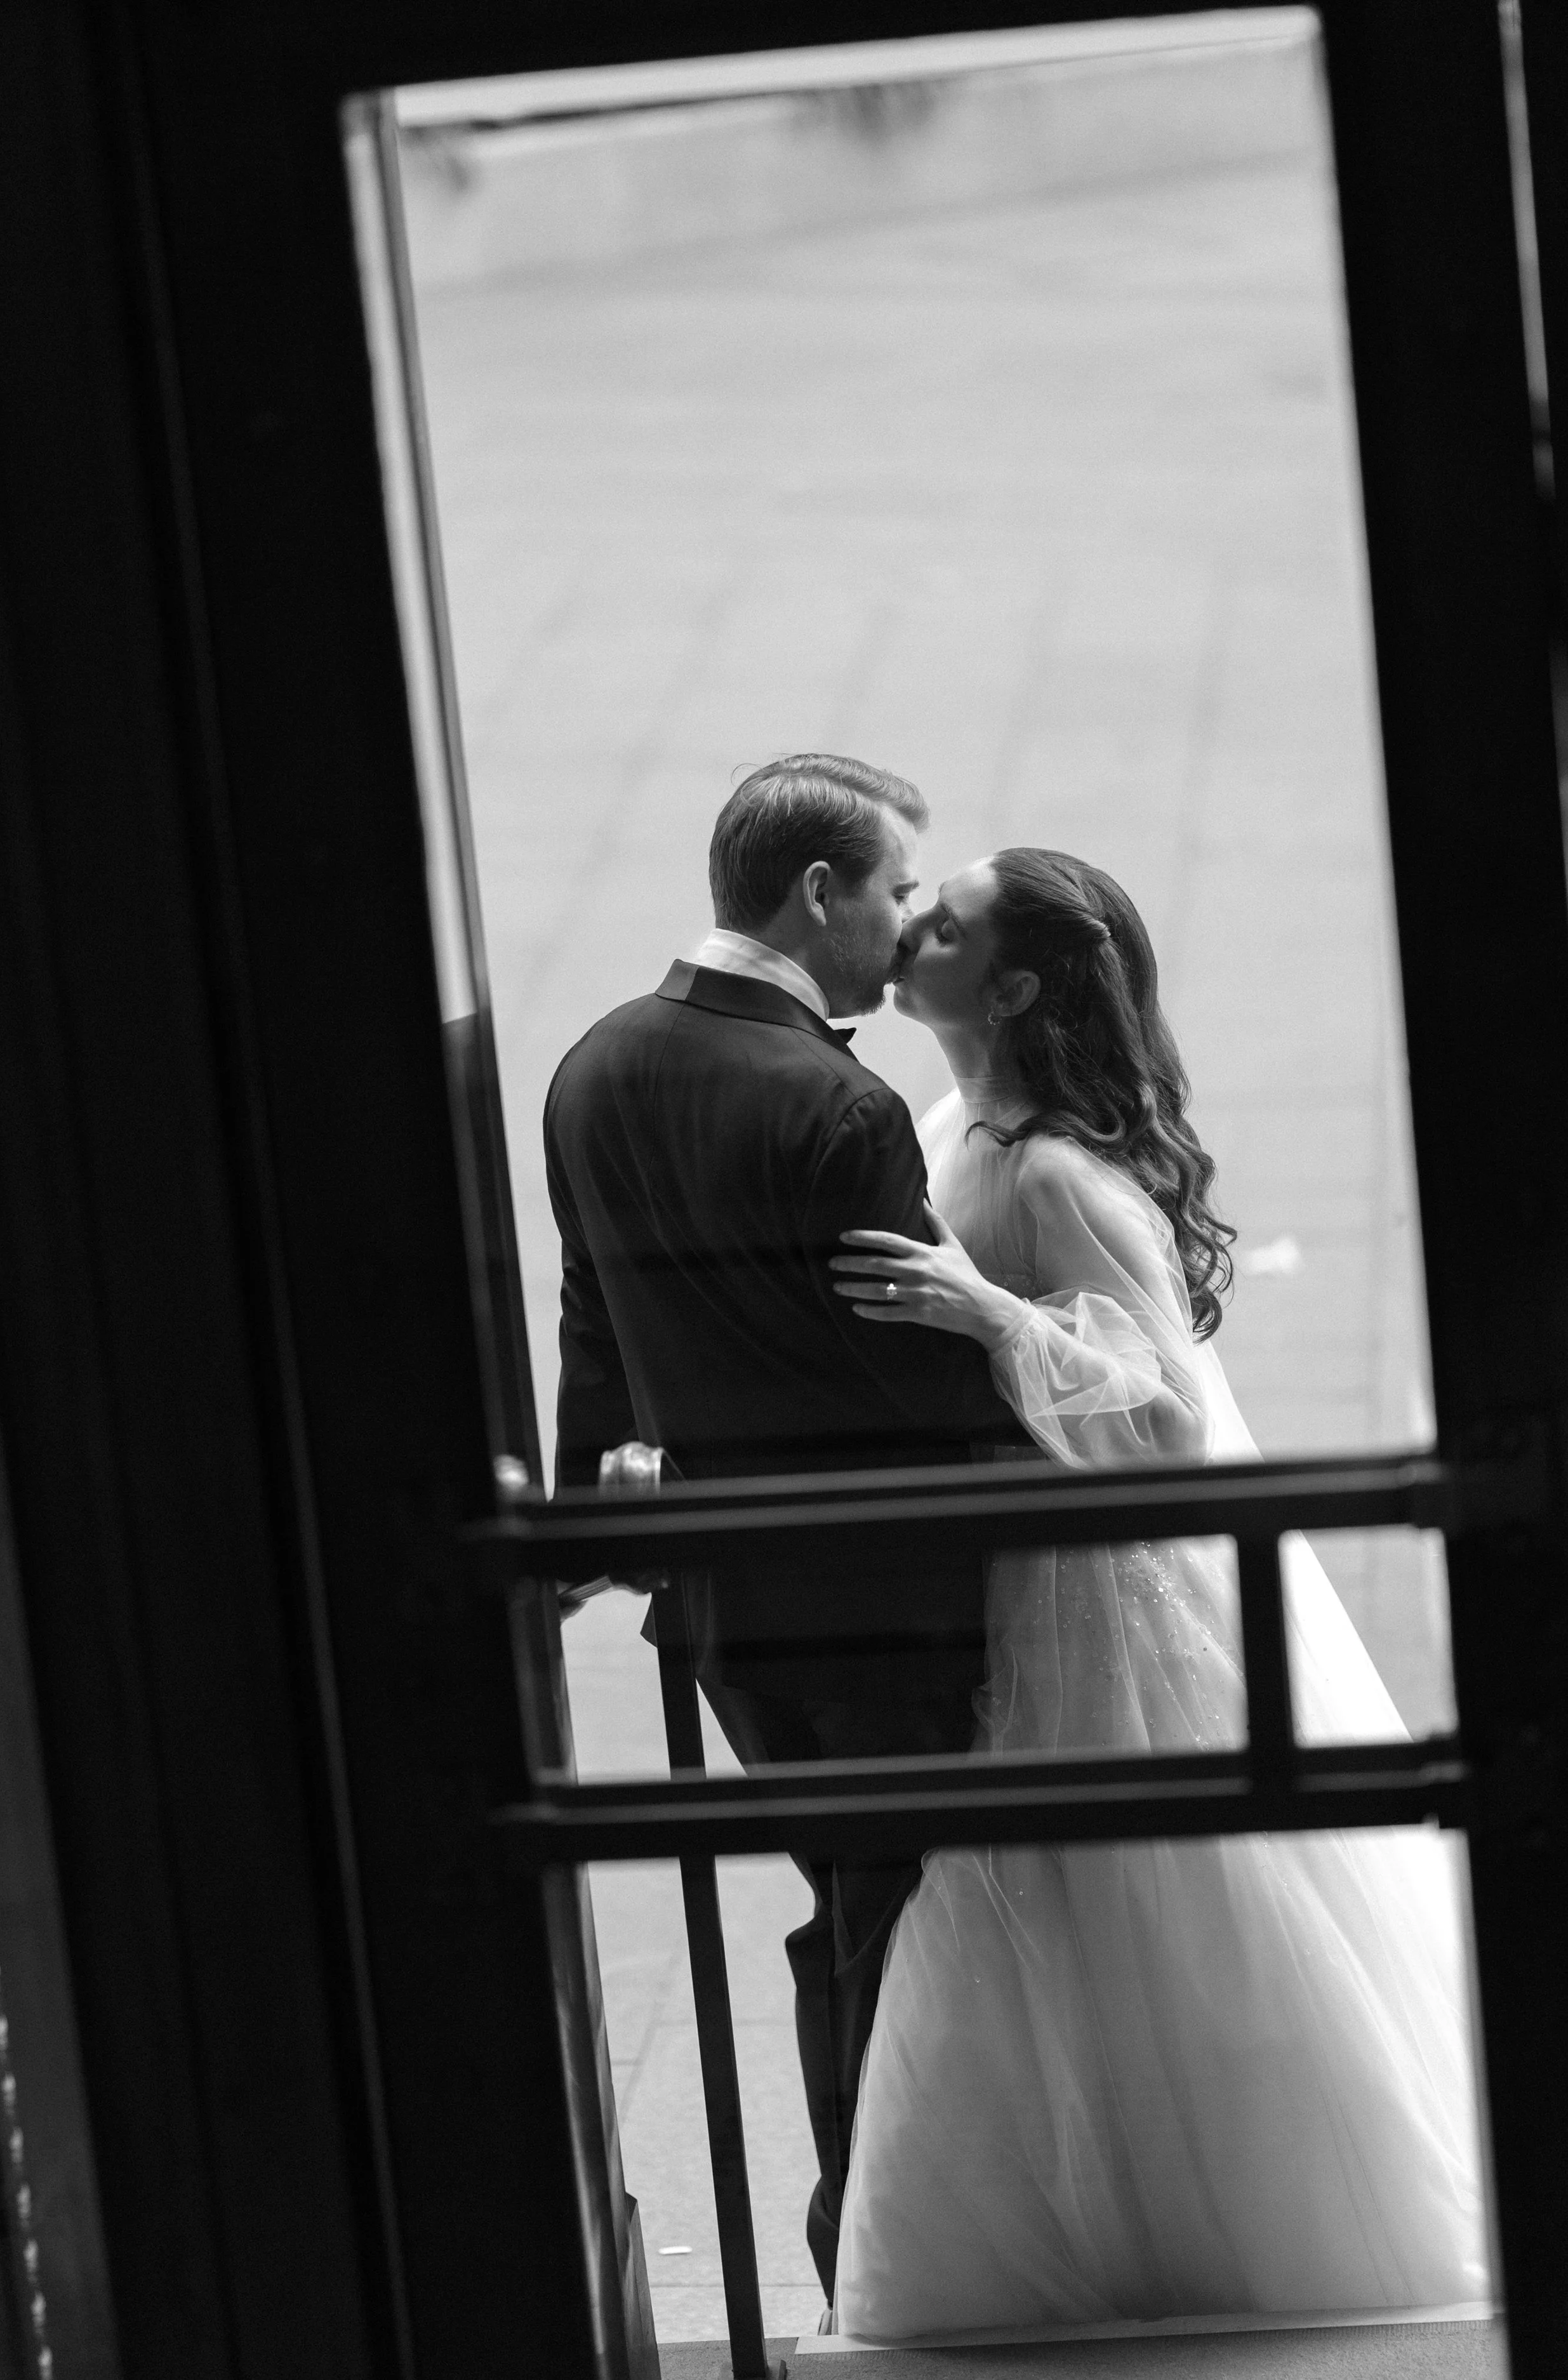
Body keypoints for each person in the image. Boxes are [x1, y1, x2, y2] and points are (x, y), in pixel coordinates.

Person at [826, 847, 1489, 2339]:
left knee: (1144, 1906)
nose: (905, 920)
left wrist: (993, 1317)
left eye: (939, 919)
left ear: (1001, 987)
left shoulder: (1050, 1171)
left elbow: (1164, 1416)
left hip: (1098, 1604)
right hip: (1027, 1576)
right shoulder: (960, 1122)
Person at [543, 755, 1014, 2302]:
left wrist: (582, 1520)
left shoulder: (594, 1063)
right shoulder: (838, 1100)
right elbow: (912, 1359)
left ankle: (872, 2237)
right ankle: (874, 2247)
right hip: (885, 1598)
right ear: (817, 893)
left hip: (726, 1602)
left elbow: (591, 1326)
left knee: (853, 1903)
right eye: (889, 894)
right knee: (895, 1920)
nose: (898, 929)